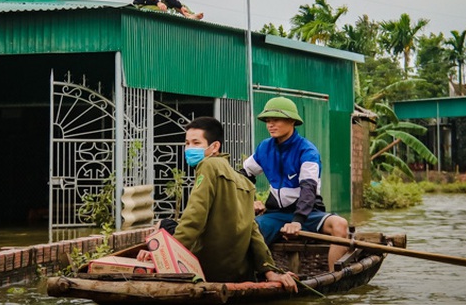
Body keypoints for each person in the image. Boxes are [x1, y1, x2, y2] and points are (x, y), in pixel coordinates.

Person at [138, 117, 297, 290]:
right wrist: (269, 270)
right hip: (238, 272)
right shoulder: (245, 182)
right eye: (187, 143)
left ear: (214, 147)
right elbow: (253, 232)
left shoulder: (208, 166)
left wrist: (165, 256)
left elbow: (194, 219)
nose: (190, 149)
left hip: (205, 267)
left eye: (196, 143)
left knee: (162, 225)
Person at [240, 96, 350, 271]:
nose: (270, 125)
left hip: (308, 214)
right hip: (276, 215)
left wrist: (298, 221)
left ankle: (332, 276)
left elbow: (309, 189)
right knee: (245, 230)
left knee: (340, 225)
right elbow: (243, 176)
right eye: (268, 120)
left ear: (292, 121)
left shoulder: (307, 151)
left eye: (276, 120)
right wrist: (250, 200)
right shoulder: (264, 148)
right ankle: (257, 275)